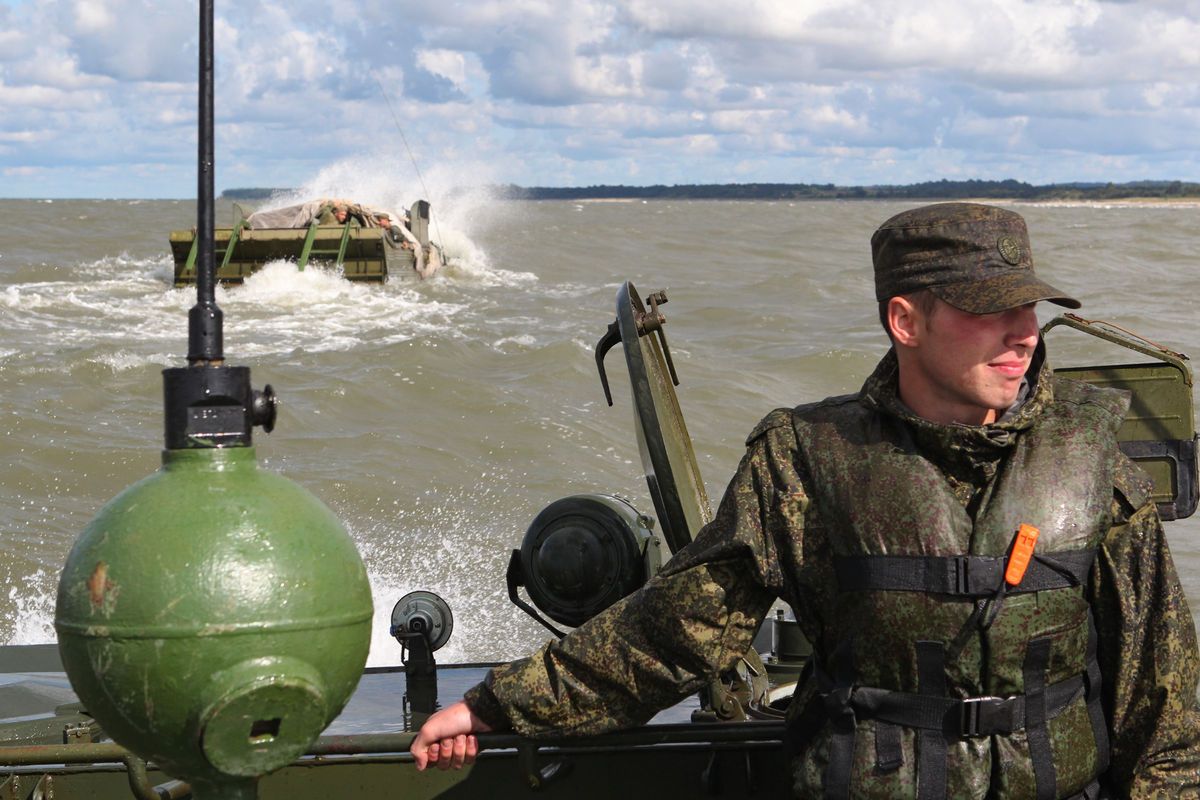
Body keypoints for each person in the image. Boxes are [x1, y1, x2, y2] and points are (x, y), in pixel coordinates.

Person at [411, 203, 1200, 797]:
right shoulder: (806, 460)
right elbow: (680, 630)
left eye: (1028, 307)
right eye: (989, 309)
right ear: (906, 321)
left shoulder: (1089, 458)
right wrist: (496, 704)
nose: (1024, 332)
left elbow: (1162, 698)